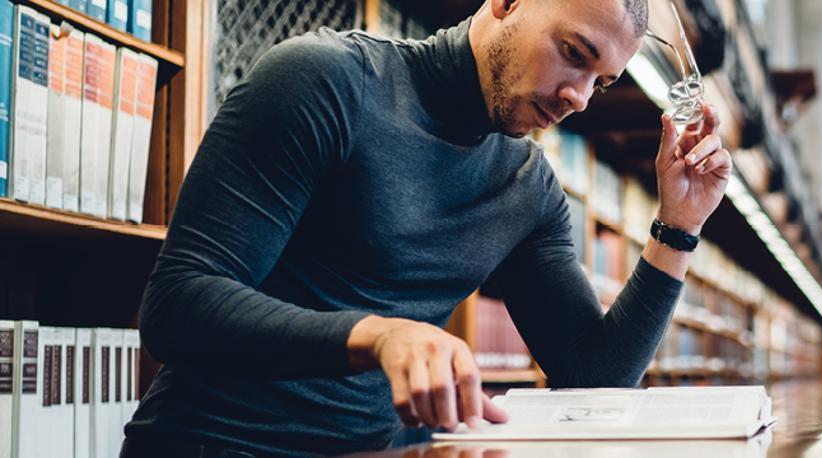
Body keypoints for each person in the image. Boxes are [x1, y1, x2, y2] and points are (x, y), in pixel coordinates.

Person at [121, 0, 732, 455]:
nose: (579, 97)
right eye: (574, 53)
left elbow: (591, 378)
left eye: (602, 82)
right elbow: (177, 304)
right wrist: (380, 336)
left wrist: (677, 226)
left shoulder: (527, 186)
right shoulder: (323, 81)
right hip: (214, 444)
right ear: (506, 4)